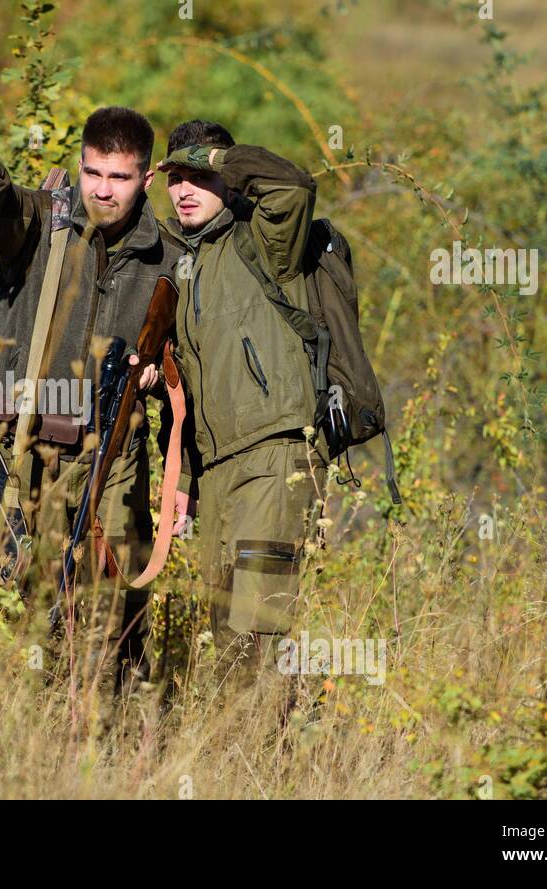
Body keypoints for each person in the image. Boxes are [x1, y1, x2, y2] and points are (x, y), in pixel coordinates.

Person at [0, 107, 184, 692]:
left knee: (112, 625)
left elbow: (191, 361)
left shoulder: (171, 258)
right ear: (80, 165)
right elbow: (2, 214)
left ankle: (114, 745)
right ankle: (47, 749)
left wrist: (161, 372)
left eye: (120, 178)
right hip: (37, 456)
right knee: (43, 618)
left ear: (145, 181)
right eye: (93, 172)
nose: (103, 190)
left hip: (115, 457)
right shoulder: (44, 222)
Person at [156, 119, 328, 678]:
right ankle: (244, 757)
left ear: (225, 176)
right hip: (218, 471)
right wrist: (183, 484)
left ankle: (271, 756)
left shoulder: (266, 238)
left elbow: (293, 186)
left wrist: (217, 158)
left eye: (196, 176)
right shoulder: (186, 262)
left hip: (275, 452)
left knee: (259, 627)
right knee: (226, 631)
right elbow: (187, 391)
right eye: (174, 177)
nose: (184, 189)